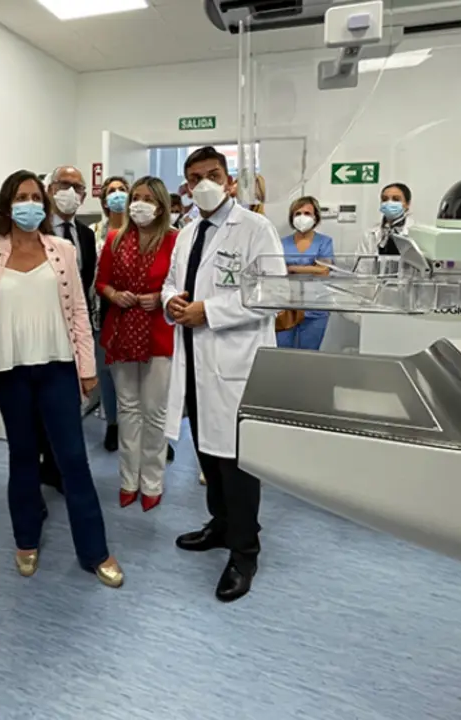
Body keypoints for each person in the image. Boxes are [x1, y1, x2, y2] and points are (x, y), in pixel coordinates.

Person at [0, 170, 124, 588]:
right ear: (7, 205)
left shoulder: (64, 250)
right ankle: (25, 539)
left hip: (58, 367)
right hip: (9, 371)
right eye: (22, 196)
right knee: (22, 458)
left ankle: (95, 550)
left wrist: (88, 368)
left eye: (37, 196)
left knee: (73, 460)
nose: (30, 203)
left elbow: (77, 311)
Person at [163, 146, 281, 603]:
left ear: (229, 180)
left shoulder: (255, 228)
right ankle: (220, 524)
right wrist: (173, 301)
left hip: (235, 364)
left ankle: (244, 551)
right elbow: (174, 282)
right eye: (195, 177)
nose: (204, 183)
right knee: (207, 455)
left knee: (236, 462)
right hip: (195, 361)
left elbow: (269, 295)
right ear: (187, 186)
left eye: (213, 174)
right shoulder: (187, 232)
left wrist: (207, 311)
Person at [95, 176, 178, 512]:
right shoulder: (115, 239)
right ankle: (129, 479)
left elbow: (184, 286)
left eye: (147, 198)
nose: (139, 203)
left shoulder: (175, 241)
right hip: (121, 334)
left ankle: (153, 482)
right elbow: (101, 282)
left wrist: (159, 298)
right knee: (127, 409)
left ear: (160, 204)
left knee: (155, 413)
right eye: (135, 197)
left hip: (159, 335)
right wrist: (114, 294)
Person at [38, 166, 98, 495]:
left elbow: (83, 286)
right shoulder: (34, 230)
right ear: (50, 189)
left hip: (73, 333)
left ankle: (58, 468)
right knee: (39, 407)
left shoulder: (85, 236)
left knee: (67, 403)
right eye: (64, 184)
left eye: (77, 187)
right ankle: (42, 468)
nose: (70, 192)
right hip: (39, 333)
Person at [90, 176, 128, 452]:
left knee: (141, 374)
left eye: (122, 190)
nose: (117, 195)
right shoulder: (93, 233)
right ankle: (113, 424)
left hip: (137, 312)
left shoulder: (142, 231)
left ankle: (151, 433)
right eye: (111, 192)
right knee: (107, 373)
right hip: (102, 312)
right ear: (104, 201)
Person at [277, 196, 335, 351]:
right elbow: (276, 269)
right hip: (286, 305)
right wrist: (311, 267)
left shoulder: (324, 241)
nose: (302, 217)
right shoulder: (281, 243)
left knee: (309, 353)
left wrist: (292, 268)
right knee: (282, 352)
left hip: (315, 306)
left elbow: (324, 271)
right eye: (298, 213)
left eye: (307, 213)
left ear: (315, 217)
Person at [361, 182, 415, 255]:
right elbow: (362, 264)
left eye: (396, 199)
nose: (389, 202)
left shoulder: (415, 233)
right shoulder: (370, 234)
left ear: (407, 204)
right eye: (384, 199)